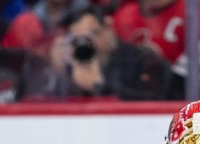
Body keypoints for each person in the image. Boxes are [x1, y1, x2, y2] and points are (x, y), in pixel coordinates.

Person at [45, 6, 173, 100]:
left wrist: (100, 86)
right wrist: (58, 73)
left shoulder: (142, 60)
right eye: (77, 40)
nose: (86, 46)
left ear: (108, 28)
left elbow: (151, 102)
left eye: (92, 35)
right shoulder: (70, 64)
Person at [112, 0, 200, 99]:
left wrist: (162, 69)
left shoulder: (193, 17)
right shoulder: (125, 16)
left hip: (175, 101)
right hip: (130, 99)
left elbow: (191, 83)